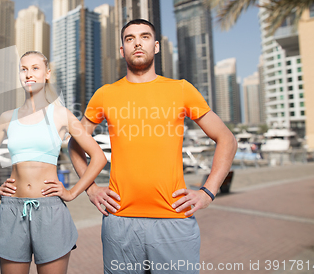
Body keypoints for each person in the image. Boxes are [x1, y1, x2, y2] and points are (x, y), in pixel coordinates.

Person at [69, 19, 237, 274]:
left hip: (174, 221)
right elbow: (75, 143)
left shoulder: (181, 89)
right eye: (129, 38)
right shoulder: (105, 94)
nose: (137, 42)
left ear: (156, 46)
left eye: (145, 37)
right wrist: (90, 189)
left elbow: (227, 139)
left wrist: (207, 192)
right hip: (119, 222)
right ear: (122, 50)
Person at [0, 51, 107, 274]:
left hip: (50, 211)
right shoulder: (7, 117)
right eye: (24, 69)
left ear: (47, 74)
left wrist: (72, 192)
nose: (29, 74)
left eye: (35, 68)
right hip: (11, 210)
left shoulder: (61, 115)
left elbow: (98, 157)